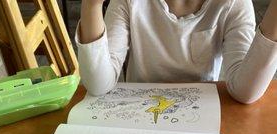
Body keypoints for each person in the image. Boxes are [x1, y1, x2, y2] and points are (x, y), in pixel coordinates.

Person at [76, 0, 277, 103]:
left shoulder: (233, 4)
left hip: (201, 114)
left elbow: (244, 92)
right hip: (139, 114)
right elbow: (98, 85)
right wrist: (92, 5)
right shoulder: (128, 2)